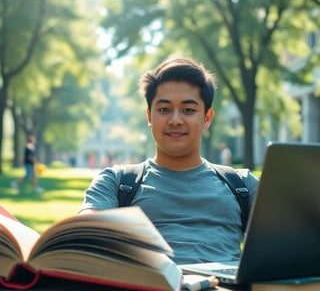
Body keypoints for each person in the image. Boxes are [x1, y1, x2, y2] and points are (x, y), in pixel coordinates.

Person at [79, 57, 259, 265]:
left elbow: (287, 247)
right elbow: (83, 238)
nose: (175, 120)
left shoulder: (243, 186)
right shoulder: (116, 182)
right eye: (164, 110)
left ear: (207, 118)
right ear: (149, 116)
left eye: (188, 110)